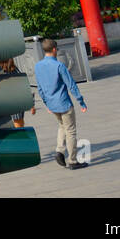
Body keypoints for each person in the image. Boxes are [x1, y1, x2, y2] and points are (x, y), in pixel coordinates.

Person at [34, 37, 88, 169]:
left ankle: (59, 151)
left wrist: (46, 104)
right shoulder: (59, 65)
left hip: (52, 104)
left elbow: (40, 88)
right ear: (54, 50)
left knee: (62, 126)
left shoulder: (38, 66)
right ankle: (73, 160)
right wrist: (81, 101)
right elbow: (71, 85)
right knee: (71, 131)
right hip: (63, 103)